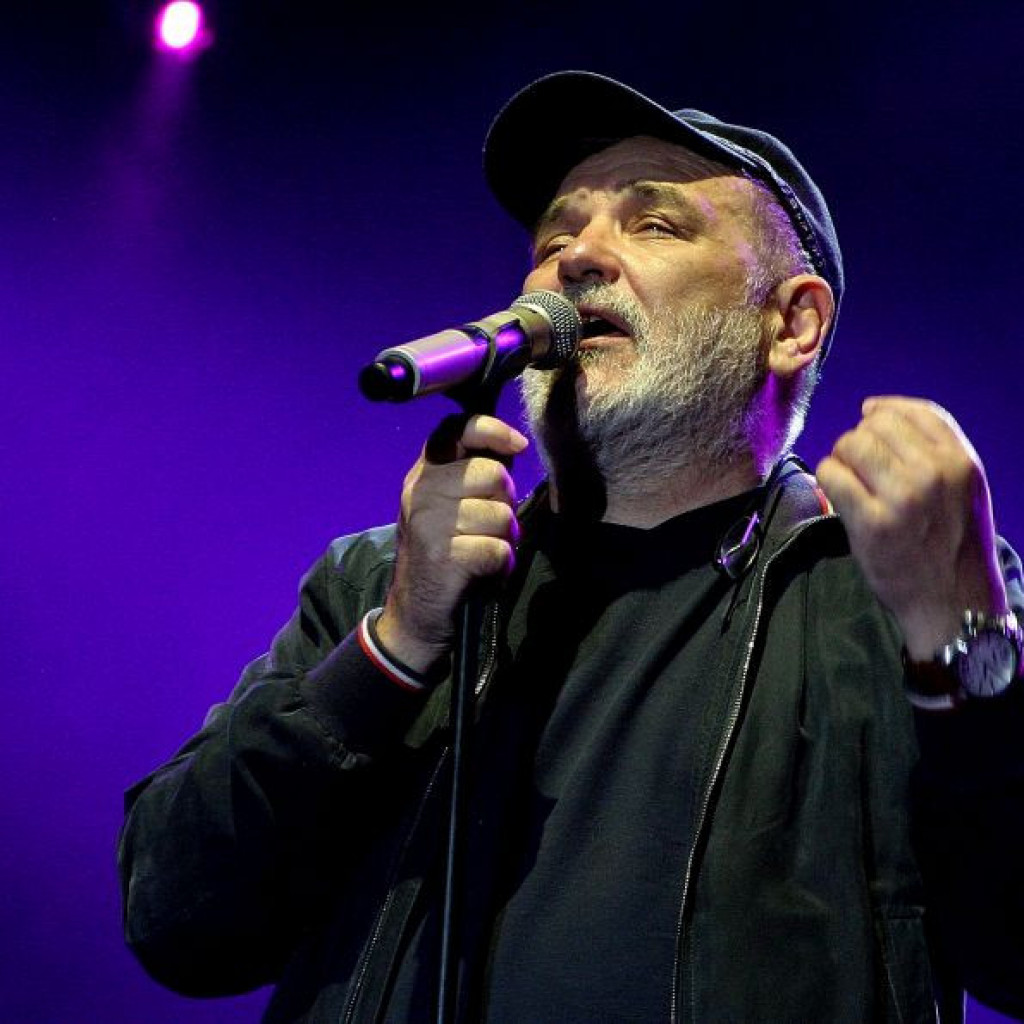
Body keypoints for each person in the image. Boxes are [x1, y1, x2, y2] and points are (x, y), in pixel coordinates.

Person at [118, 71, 1024, 1023]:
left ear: (792, 322)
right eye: (554, 240)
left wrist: (963, 650)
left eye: (655, 224)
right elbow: (178, 920)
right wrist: (397, 643)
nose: (579, 258)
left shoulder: (899, 590)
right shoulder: (382, 583)